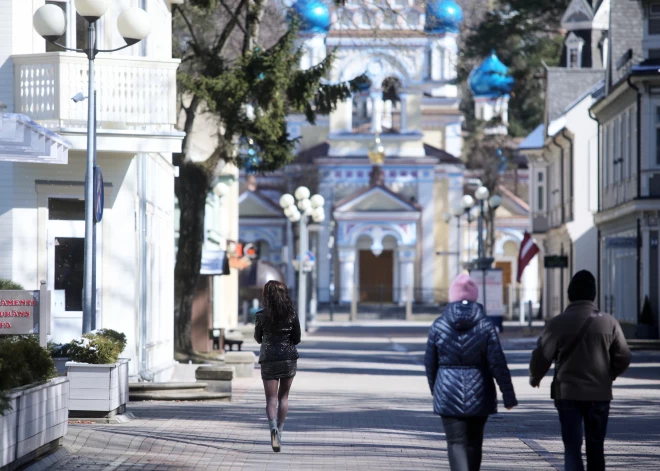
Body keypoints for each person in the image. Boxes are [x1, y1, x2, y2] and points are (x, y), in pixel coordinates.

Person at [529, 270, 632, 471]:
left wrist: (535, 377)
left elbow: (542, 355)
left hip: (568, 394)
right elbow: (624, 356)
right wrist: (608, 375)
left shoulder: (557, 323)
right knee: (596, 447)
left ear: (570, 294)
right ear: (593, 294)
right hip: (599, 394)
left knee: (572, 447)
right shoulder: (608, 322)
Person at [425, 273, 518, 471]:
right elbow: (498, 363)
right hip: (480, 392)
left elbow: (430, 363)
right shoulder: (486, 326)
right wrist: (508, 396)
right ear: (475, 297)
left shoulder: (439, 325)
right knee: (475, 443)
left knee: (456, 443)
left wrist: (436, 390)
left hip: (447, 391)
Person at [254, 280, 301, 453]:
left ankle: (272, 428)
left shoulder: (261, 316)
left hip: (269, 359)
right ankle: (279, 432)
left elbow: (258, 338)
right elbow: (297, 338)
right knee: (283, 397)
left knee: (271, 399)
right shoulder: (292, 314)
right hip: (288, 358)